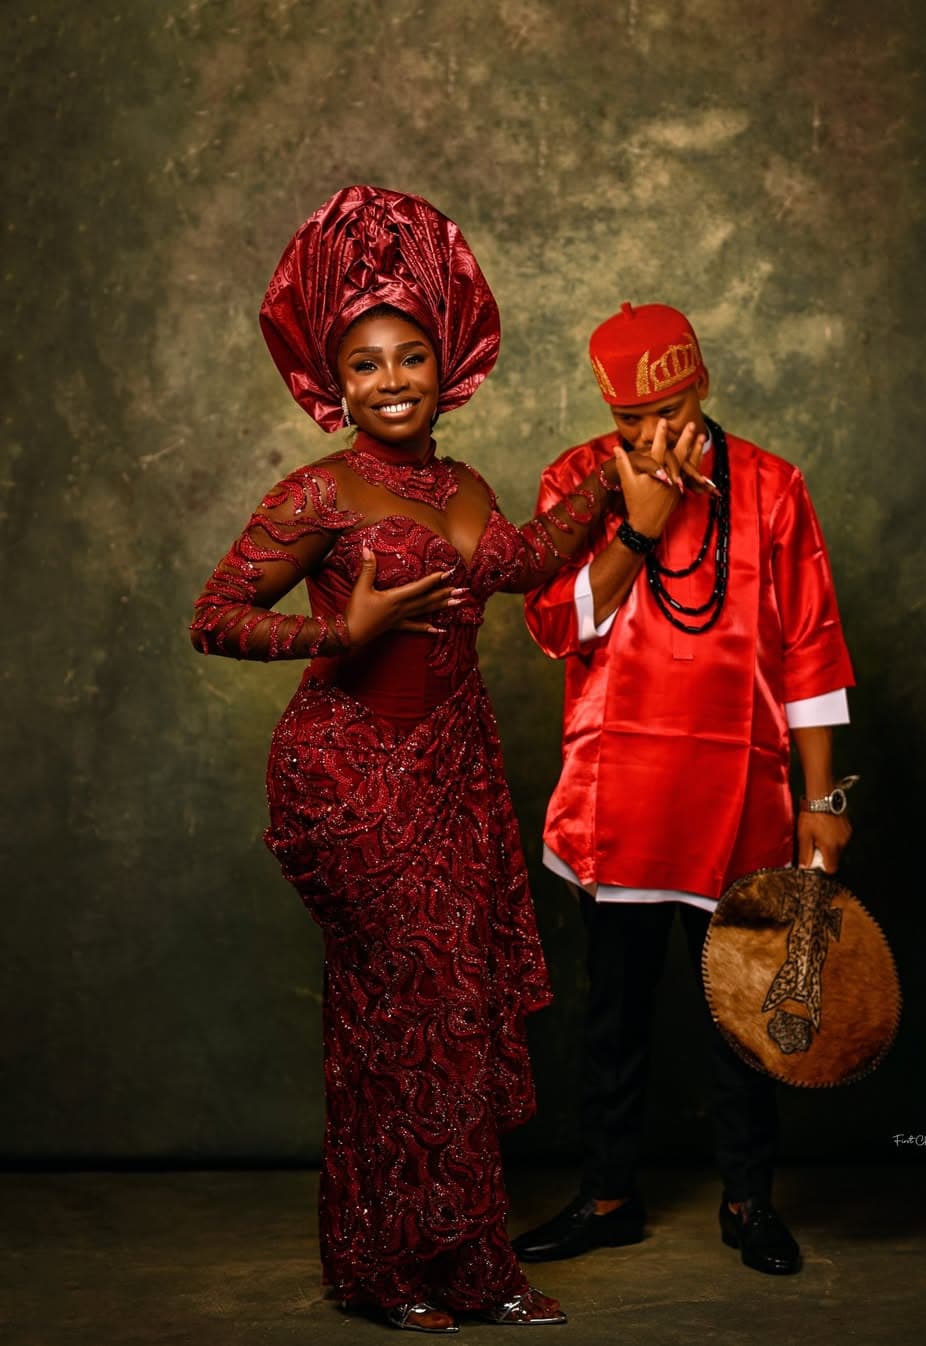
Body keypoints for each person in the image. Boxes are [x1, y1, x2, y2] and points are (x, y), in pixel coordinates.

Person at [190, 188, 650, 1332]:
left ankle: (466, 1263)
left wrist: (623, 485)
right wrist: (336, 634)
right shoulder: (320, 493)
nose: (391, 380)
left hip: (449, 770)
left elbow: (536, 561)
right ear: (332, 385)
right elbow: (215, 611)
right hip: (347, 773)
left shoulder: (466, 491)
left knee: (445, 1008)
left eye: (410, 357)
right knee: (410, 1011)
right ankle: (385, 1267)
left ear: (447, 368)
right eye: (365, 365)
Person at [514, 302, 856, 1277]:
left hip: (736, 794)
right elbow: (553, 623)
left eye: (673, 414)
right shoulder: (579, 482)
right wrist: (637, 522)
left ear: (699, 390)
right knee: (612, 1010)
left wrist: (823, 806)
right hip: (617, 796)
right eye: (633, 426)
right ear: (611, 417)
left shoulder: (774, 488)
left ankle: (749, 1199)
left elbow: (812, 654)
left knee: (738, 1013)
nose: (656, 439)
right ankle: (610, 1191)